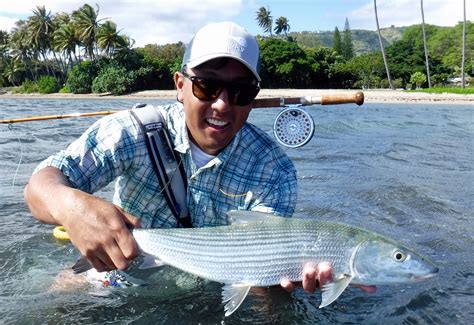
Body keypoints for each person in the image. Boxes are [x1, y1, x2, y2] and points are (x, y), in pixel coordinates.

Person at [24, 22, 354, 293]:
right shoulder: (132, 131)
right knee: (59, 303)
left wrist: (285, 282)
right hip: (120, 270)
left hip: (210, 291)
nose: (223, 105)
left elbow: (257, 280)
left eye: (240, 92)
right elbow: (40, 186)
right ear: (180, 85)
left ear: (253, 98)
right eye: (207, 87)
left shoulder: (274, 171)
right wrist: (71, 207)